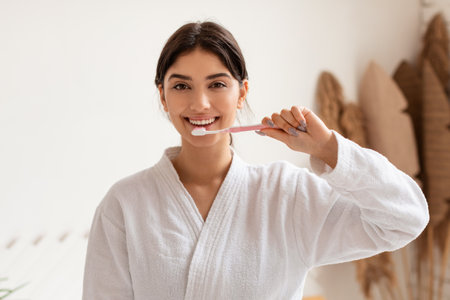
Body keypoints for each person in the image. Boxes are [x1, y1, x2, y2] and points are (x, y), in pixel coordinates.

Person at [82, 21, 429, 300]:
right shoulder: (124, 205)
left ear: (241, 92)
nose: (200, 103)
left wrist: (328, 149)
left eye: (217, 84)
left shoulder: (287, 195)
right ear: (163, 96)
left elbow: (406, 218)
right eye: (181, 86)